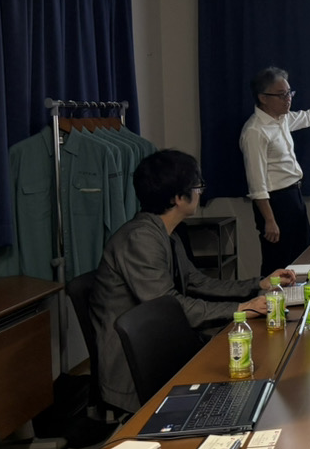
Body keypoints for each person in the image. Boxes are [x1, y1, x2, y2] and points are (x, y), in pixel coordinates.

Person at [91, 150, 295, 413]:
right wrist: (241, 309)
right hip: (135, 365)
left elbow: (198, 282)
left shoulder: (165, 233)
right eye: (198, 187)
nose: (200, 193)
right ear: (178, 198)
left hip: (161, 344)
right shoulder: (141, 239)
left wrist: (259, 284)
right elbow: (168, 308)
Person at [240, 67, 310, 276]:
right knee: (278, 262)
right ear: (263, 98)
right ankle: (270, 297)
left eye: (289, 93)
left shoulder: (282, 119)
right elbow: (257, 184)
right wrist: (270, 220)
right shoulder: (255, 131)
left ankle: (303, 296)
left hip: (294, 197)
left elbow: (309, 117)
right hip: (275, 203)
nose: (288, 99)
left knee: (303, 257)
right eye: (281, 95)